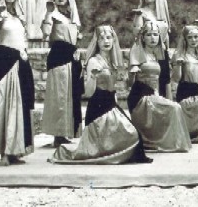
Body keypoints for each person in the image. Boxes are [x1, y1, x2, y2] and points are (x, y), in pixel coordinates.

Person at [50, 26, 152, 164]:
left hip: (111, 105)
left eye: (109, 37)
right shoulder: (93, 61)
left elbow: (115, 88)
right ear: (97, 42)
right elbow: (88, 92)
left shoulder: (113, 62)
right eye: (102, 38)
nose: (106, 41)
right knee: (130, 135)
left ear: (113, 40)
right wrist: (92, 77)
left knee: (134, 135)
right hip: (98, 109)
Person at [0, 0, 36, 166]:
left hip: (20, 64)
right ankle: (4, 153)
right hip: (4, 64)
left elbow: (22, 39)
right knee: (5, 106)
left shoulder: (19, 14)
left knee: (19, 107)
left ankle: (15, 150)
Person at [127, 21, 192, 152]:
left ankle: (173, 142)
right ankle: (171, 143)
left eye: (155, 35)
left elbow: (159, 80)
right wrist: (132, 74)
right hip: (140, 98)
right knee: (174, 108)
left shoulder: (156, 55)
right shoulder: (137, 52)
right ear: (143, 37)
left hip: (152, 96)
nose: (152, 38)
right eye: (149, 35)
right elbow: (129, 84)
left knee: (175, 107)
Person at [41, 0, 83, 148]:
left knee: (71, 95)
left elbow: (75, 38)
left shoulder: (71, 16)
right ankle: (58, 134)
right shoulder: (53, 15)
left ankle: (67, 131)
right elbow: (45, 33)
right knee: (59, 96)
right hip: (58, 57)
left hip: (71, 57)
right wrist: (48, 13)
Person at [133, 0, 173, 99]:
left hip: (162, 52)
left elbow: (166, 37)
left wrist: (167, 51)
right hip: (147, 52)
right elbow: (137, 33)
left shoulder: (161, 14)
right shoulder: (141, 12)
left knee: (164, 80)